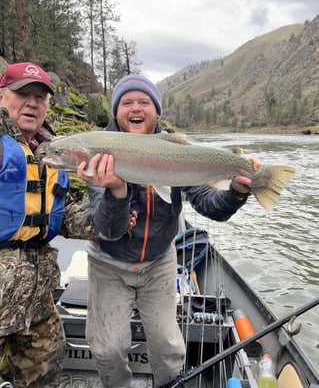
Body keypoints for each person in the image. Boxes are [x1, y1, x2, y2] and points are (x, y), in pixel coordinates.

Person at [77, 74, 258, 388]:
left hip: (159, 262)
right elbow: (107, 229)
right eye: (127, 102)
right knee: (108, 350)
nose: (136, 108)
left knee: (169, 347)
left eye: (144, 102)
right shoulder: (100, 151)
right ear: (116, 113)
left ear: (156, 113)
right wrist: (117, 191)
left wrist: (237, 191)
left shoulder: (174, 152)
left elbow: (211, 206)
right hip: (108, 263)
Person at [0, 62, 93, 388]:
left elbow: (67, 216)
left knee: (45, 380)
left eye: (40, 97)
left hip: (38, 303)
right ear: (2, 97)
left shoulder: (53, 151)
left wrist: (112, 206)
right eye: (22, 93)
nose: (32, 103)